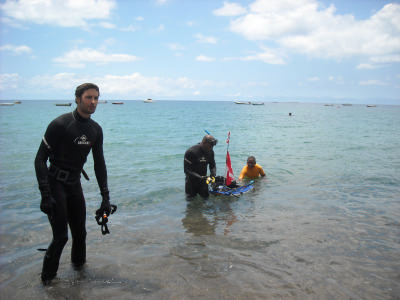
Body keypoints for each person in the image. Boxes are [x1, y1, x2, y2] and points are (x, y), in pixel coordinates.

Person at [34, 83, 111, 284]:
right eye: (89, 97)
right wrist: (45, 194)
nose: (93, 102)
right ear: (78, 99)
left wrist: (105, 197)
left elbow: (99, 164)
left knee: (80, 234)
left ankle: (80, 276)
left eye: (96, 98)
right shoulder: (60, 124)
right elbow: (40, 159)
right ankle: (47, 284)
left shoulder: (95, 130)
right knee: (61, 238)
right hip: (55, 184)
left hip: (74, 185)